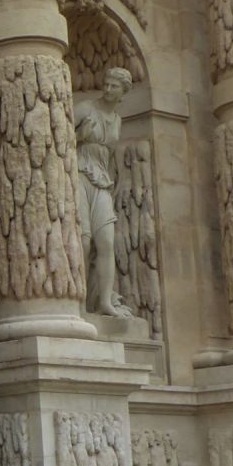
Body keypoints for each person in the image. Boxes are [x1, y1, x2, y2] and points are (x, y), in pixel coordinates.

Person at [73, 66, 133, 317]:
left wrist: (117, 179)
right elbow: (55, 135)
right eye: (106, 83)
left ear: (123, 92)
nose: (108, 89)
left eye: (114, 86)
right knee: (83, 242)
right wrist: (79, 135)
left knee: (107, 242)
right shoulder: (86, 108)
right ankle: (77, 301)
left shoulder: (117, 119)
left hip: (102, 180)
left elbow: (109, 155)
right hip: (78, 173)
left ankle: (105, 302)